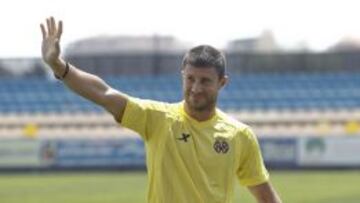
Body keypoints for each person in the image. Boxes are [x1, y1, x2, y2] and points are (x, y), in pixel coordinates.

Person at [40, 16, 282, 203]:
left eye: (205, 81)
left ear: (222, 82)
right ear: (182, 77)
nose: (196, 88)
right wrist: (59, 66)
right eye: (190, 79)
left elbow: (266, 196)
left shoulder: (240, 135)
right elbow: (104, 94)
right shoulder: (158, 119)